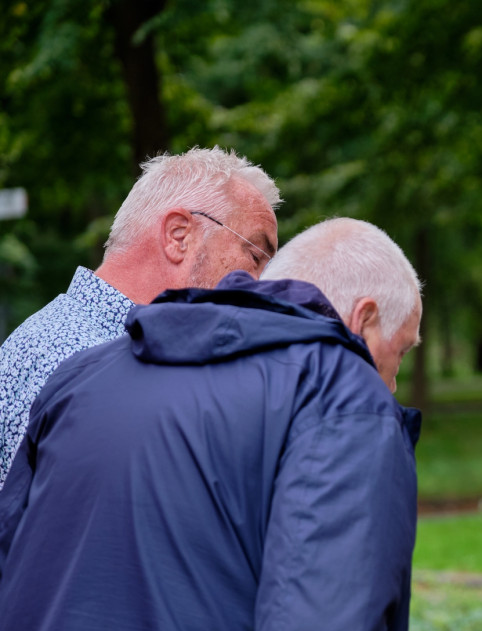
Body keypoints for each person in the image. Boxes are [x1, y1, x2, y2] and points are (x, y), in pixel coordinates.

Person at [0, 217, 423, 631]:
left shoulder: (82, 377)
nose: (392, 383)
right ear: (363, 317)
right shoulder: (343, 395)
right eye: (401, 353)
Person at [0, 146, 281, 488]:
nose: (262, 285)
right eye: (254, 255)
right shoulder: (74, 360)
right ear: (179, 236)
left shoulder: (84, 346)